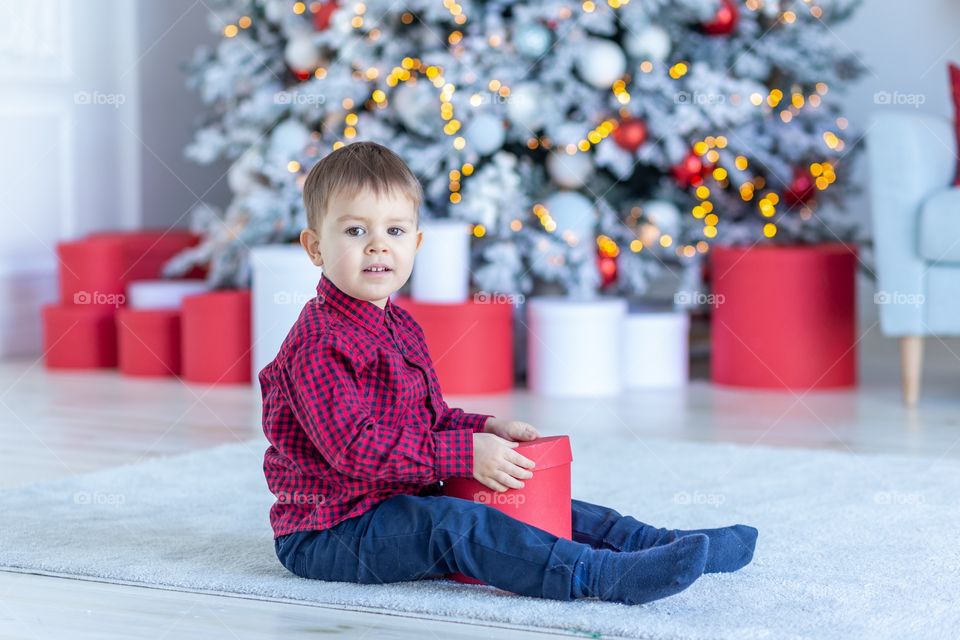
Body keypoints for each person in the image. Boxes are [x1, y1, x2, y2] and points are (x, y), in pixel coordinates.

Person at [260, 141, 757, 604]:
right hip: (333, 530)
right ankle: (594, 575)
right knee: (455, 526)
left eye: (394, 231)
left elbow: (427, 419)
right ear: (315, 247)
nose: (377, 246)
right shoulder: (318, 344)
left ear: (416, 241)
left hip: (401, 495)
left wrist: (483, 429)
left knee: (527, 493)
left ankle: (653, 543)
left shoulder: (400, 326)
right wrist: (463, 454)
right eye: (354, 231)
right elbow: (357, 448)